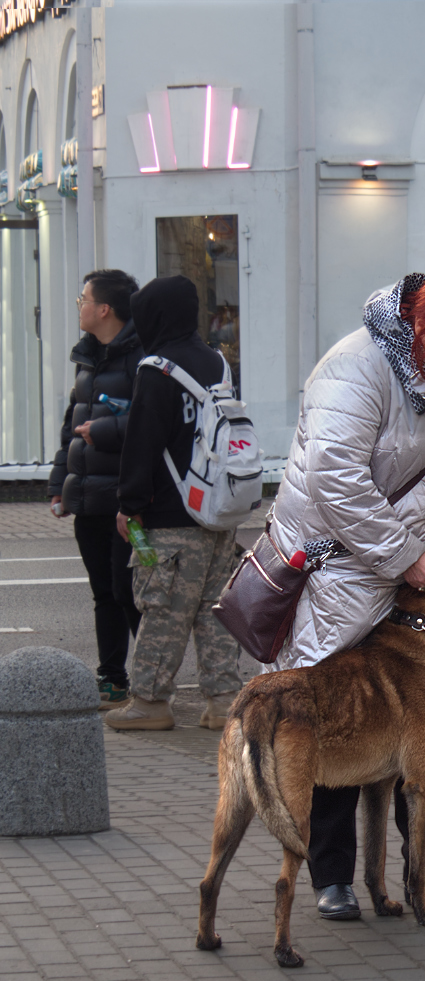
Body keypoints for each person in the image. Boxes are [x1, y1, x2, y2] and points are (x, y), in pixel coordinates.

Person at [267, 271, 425, 921]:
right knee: (337, 718)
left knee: (420, 730)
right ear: (423, 330)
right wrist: (402, 556)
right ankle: (332, 875)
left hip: (424, 573)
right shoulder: (355, 367)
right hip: (340, 570)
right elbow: (334, 477)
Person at [104, 275, 244, 733]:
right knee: (214, 611)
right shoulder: (217, 364)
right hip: (217, 512)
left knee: (162, 610)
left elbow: (142, 443)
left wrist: (130, 504)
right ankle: (224, 700)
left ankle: (149, 701)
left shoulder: (156, 369)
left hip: (169, 516)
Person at [47, 269, 144, 710]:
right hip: (88, 496)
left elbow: (150, 425)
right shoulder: (87, 358)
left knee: (133, 593)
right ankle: (112, 678)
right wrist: (59, 484)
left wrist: (105, 431)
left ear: (104, 308)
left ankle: (150, 681)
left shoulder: (142, 356)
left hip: (129, 501)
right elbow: (71, 425)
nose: (80, 305)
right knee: (104, 592)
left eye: (83, 298)